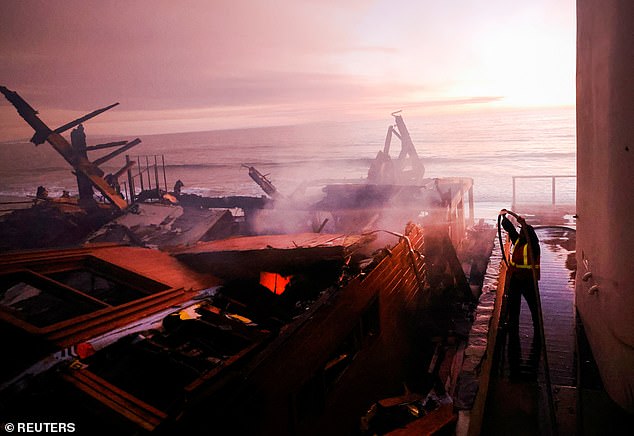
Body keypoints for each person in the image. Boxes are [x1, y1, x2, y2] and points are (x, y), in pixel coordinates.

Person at [500, 209, 541, 378]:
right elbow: (510, 230)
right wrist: (504, 217)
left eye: (523, 232)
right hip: (517, 279)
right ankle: (512, 326)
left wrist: (524, 224)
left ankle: (538, 328)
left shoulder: (533, 245)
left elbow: (530, 235)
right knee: (513, 306)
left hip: (529, 281)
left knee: (533, 307)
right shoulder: (520, 240)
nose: (521, 233)